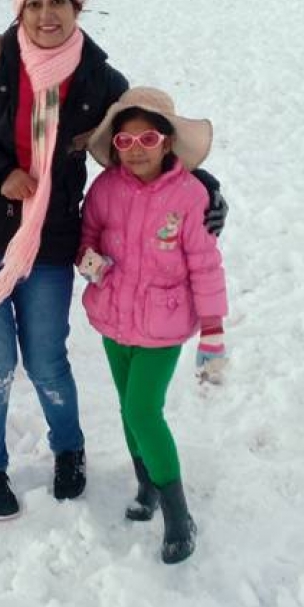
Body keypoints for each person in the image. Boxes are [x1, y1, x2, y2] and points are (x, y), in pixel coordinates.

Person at [0, 0, 227, 521]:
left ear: (77, 6)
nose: (47, 14)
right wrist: (0, 173)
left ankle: (69, 449)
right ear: (19, 11)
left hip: (51, 239)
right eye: (34, 3)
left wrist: (204, 186)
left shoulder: (97, 77)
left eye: (58, 0)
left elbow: (144, 139)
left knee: (46, 359)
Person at [78, 86, 228, 563]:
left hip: (163, 326)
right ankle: (147, 486)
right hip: (113, 318)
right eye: (124, 141)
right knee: (128, 410)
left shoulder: (190, 196)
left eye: (147, 139)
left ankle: (179, 516)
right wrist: (90, 262)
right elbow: (86, 237)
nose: (136, 149)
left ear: (167, 142)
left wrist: (213, 328)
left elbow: (205, 264)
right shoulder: (104, 189)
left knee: (144, 412)